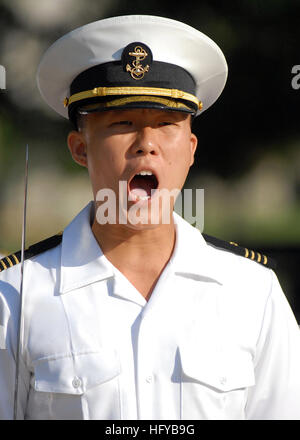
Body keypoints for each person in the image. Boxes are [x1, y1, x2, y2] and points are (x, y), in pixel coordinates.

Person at [0, 15, 300, 421]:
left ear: (191, 149)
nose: (146, 145)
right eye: (122, 124)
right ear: (80, 148)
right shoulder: (15, 295)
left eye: (166, 125)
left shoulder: (252, 291)